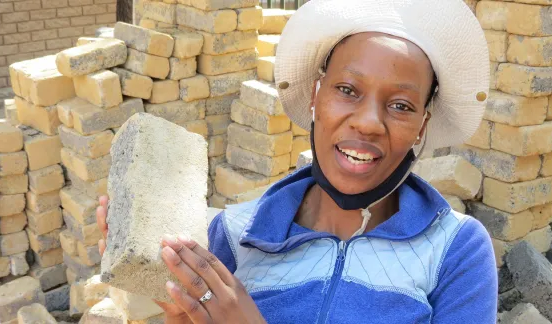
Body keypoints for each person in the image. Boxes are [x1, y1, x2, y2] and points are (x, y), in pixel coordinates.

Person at [97, 0, 498, 322]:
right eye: (347, 89)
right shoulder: (233, 237)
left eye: (400, 105)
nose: (369, 122)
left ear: (422, 126)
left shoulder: (455, 250)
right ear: (315, 95)